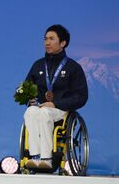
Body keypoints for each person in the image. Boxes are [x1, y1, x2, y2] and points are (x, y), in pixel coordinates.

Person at [23, 24, 88, 170]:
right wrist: (30, 99)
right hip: (40, 108)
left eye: (52, 39)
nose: (47, 42)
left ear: (63, 43)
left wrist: (56, 103)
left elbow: (81, 96)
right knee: (30, 111)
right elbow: (26, 87)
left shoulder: (73, 68)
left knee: (45, 112)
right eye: (45, 39)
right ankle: (35, 156)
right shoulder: (38, 65)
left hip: (61, 111)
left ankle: (47, 159)